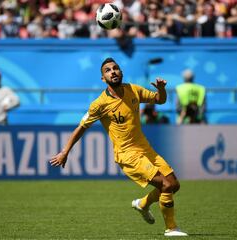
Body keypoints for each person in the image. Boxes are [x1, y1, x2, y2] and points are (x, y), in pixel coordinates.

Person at [50, 58, 188, 237]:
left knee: (174, 185)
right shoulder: (99, 104)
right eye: (107, 70)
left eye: (115, 68)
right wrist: (65, 152)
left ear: (121, 72)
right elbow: (81, 127)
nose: (113, 72)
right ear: (103, 78)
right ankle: (171, 229)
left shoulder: (133, 89)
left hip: (145, 148)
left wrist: (161, 89)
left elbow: (159, 100)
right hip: (127, 154)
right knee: (165, 185)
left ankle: (143, 204)